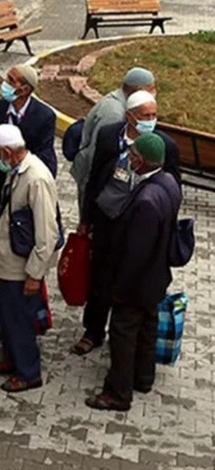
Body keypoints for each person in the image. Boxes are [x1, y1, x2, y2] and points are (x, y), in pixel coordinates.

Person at [72, 91, 181, 356]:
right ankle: (93, 331)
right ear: (130, 116)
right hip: (107, 220)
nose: (151, 120)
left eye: (154, 115)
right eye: (146, 116)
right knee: (99, 277)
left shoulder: (164, 145)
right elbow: (95, 177)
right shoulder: (110, 135)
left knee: (128, 281)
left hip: (138, 227)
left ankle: (125, 338)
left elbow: (172, 188)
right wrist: (86, 219)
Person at [86, 134, 181, 411]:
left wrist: (119, 289)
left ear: (139, 160)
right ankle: (143, 377)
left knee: (123, 334)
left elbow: (135, 254)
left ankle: (118, 392)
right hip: (156, 278)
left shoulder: (146, 201)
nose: (129, 158)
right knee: (147, 328)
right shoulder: (168, 182)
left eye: (133, 155)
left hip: (136, 283)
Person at [0, 124, 58, 393]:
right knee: (6, 316)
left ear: (7, 152)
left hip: (22, 266)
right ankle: (12, 358)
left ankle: (28, 372)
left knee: (20, 321)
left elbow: (47, 233)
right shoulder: (17, 170)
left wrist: (34, 274)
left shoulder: (36, 178)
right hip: (7, 260)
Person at [70, 67, 157, 210]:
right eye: (151, 88)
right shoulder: (114, 114)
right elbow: (98, 153)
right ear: (138, 90)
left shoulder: (119, 100)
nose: (154, 93)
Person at [0, 64, 57, 213]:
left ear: (24, 90)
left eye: (11, 80)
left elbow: (45, 157)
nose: (5, 83)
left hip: (23, 188)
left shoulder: (44, 117)